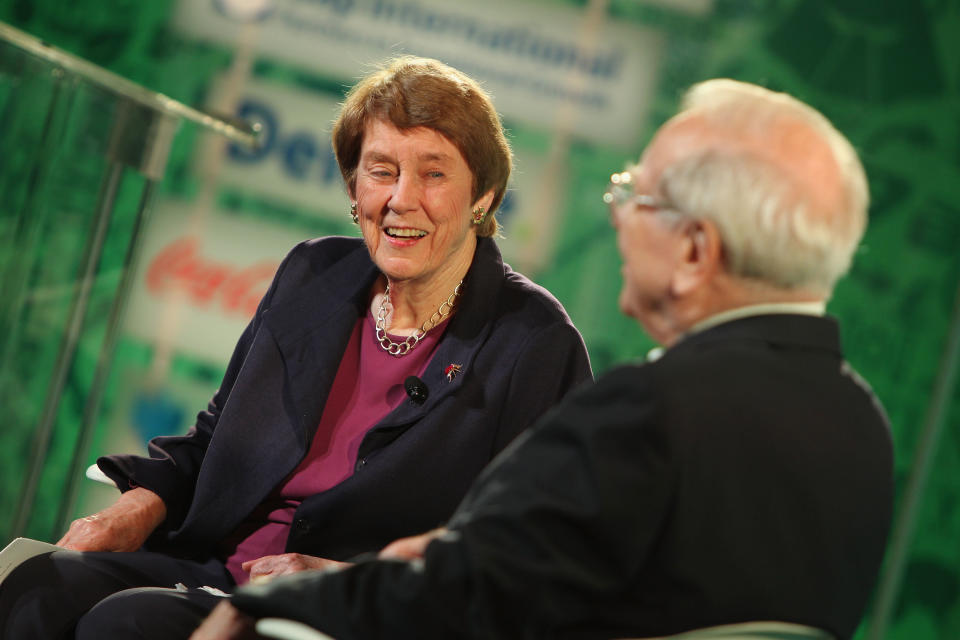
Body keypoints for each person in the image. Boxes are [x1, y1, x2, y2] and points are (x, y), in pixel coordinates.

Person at [191, 78, 894, 640]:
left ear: (694, 252)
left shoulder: (649, 413)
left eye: (634, 195)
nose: (617, 217)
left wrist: (281, 601)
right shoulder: (861, 425)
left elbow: (464, 596)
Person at [0, 56, 592, 639]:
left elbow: (534, 556)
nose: (401, 199)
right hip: (210, 568)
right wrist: (134, 506)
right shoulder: (315, 274)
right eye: (381, 170)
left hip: (348, 616)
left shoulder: (533, 341)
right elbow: (214, 439)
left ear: (483, 197)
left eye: (434, 174)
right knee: (32, 585)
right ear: (354, 188)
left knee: (126, 623)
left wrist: (349, 580)